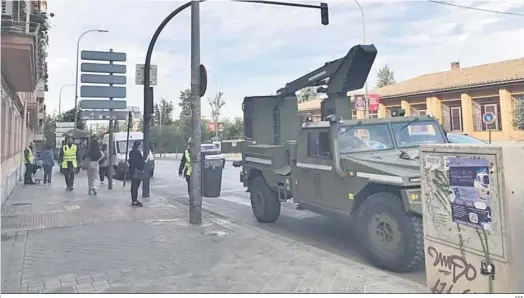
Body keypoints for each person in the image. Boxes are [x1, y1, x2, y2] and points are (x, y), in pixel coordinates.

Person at [128, 140, 144, 207]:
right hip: (137, 171)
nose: (141, 146)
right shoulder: (137, 153)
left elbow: (131, 161)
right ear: (138, 145)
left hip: (132, 171)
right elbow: (139, 162)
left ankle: (134, 200)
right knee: (135, 186)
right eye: (140, 144)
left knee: (133, 186)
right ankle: (134, 201)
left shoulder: (131, 152)